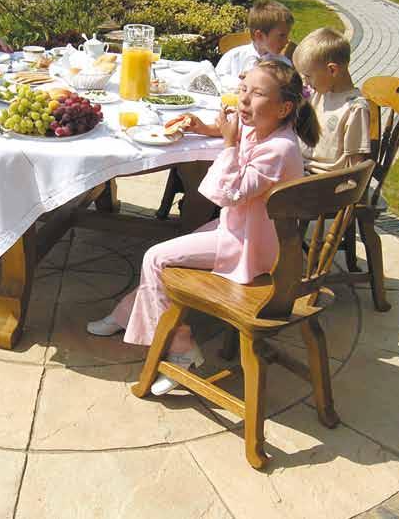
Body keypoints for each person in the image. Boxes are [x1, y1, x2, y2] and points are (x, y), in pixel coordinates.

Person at [87, 61, 319, 395]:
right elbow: (240, 137)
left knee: (156, 258)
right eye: (243, 90)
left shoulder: (280, 150)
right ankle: (127, 313)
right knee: (169, 255)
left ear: (283, 107)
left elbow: (226, 194)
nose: (244, 100)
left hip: (250, 246)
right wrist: (207, 128)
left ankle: (181, 349)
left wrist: (227, 146)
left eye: (257, 94)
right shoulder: (265, 127)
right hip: (243, 230)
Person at [292, 27, 371, 173]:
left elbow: (356, 166)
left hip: (322, 181)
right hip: (299, 166)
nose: (305, 82)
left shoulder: (355, 109)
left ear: (332, 70)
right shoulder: (320, 92)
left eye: (308, 76)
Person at [215, 0, 294, 89]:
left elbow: (288, 91)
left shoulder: (283, 65)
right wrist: (242, 82)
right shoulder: (234, 57)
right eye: (282, 36)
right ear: (259, 36)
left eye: (287, 35)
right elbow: (217, 80)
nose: (287, 41)